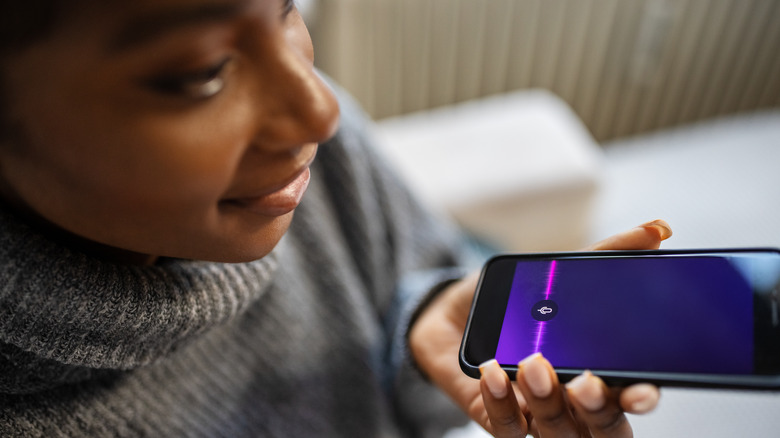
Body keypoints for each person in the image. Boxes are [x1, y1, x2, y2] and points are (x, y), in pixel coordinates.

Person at [0, 0, 668, 436]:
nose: (321, 112)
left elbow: (405, 312)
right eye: (202, 73)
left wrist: (423, 330)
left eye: (288, 8)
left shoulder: (313, 164)